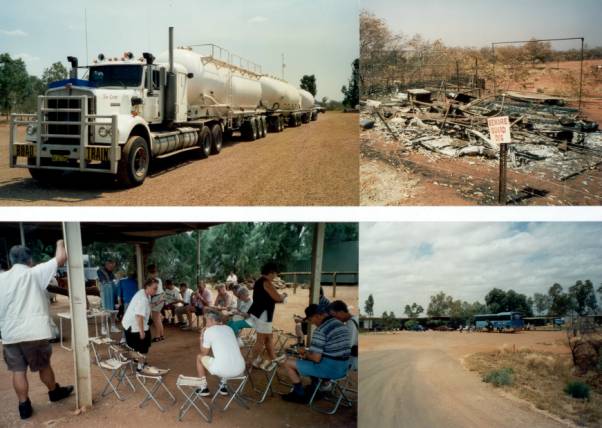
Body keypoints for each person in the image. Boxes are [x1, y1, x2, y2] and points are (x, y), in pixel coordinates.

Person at [0, 242, 74, 420]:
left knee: (18, 371)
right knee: (43, 366)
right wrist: (59, 243)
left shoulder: (1, 279)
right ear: (30, 260)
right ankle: (54, 392)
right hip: (34, 333)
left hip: (10, 334)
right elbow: (61, 257)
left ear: (11, 261)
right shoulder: (35, 273)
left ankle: (23, 406)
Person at [281, 304, 351, 403]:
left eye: (310, 320)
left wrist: (304, 352)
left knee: (288, 363)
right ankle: (315, 387)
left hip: (330, 370)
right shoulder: (340, 324)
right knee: (307, 360)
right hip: (344, 368)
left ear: (317, 316)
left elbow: (315, 358)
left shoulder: (321, 330)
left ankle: (299, 394)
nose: (312, 323)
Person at [194, 311, 246, 397]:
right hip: (240, 369)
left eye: (206, 321)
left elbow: (204, 352)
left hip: (223, 370)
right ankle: (223, 386)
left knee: (199, 357)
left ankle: (203, 388)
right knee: (224, 355)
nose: (206, 324)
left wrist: (201, 337)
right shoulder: (229, 328)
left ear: (211, 320)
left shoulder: (209, 331)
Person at [247, 262, 287, 371]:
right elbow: (278, 297)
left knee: (268, 338)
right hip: (263, 314)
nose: (276, 276)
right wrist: (284, 295)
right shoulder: (266, 282)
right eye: (275, 273)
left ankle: (274, 359)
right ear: (271, 272)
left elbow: (268, 298)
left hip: (259, 313)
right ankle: (251, 361)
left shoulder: (260, 281)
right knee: (261, 340)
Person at [122, 278, 158, 372]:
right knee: (144, 345)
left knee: (141, 344)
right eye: (154, 288)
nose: (156, 290)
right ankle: (140, 366)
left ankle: (138, 360)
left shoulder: (144, 293)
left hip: (129, 324)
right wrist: (142, 332)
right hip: (133, 326)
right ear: (147, 287)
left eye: (156, 288)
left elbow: (146, 307)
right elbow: (139, 316)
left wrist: (154, 305)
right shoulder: (143, 299)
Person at [328, 300, 358, 370]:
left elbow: (347, 347)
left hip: (352, 363)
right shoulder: (356, 318)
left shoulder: (350, 324)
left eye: (334, 315)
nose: (334, 319)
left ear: (341, 312)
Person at [97, 258, 120, 334]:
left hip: (112, 293)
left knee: (113, 309)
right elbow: (104, 281)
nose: (112, 268)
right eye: (111, 267)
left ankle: (113, 326)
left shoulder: (111, 272)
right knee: (104, 309)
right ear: (107, 264)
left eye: (113, 267)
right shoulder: (100, 271)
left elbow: (114, 280)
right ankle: (103, 328)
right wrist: (112, 281)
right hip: (105, 293)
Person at [147, 265, 165, 342]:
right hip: (160, 297)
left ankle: (157, 336)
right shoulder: (158, 279)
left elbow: (153, 292)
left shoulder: (154, 281)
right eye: (152, 272)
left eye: (153, 272)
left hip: (158, 298)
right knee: (157, 318)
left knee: (156, 318)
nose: (153, 274)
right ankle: (161, 335)